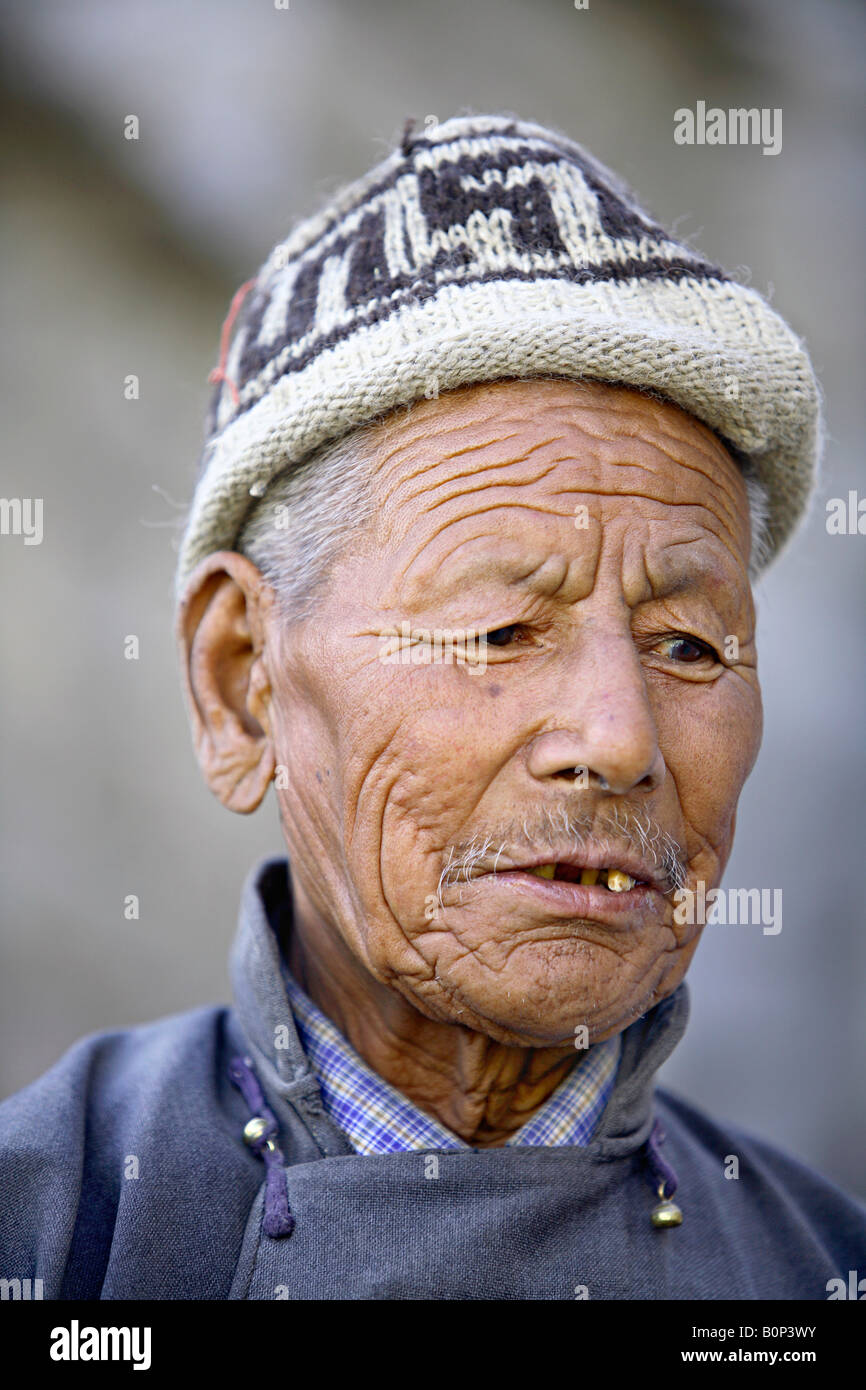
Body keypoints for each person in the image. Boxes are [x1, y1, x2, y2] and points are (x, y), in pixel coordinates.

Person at [2, 113, 864, 1300]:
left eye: (685, 644)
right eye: (497, 632)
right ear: (240, 679)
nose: (617, 740)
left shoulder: (817, 1271)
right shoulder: (47, 1234)